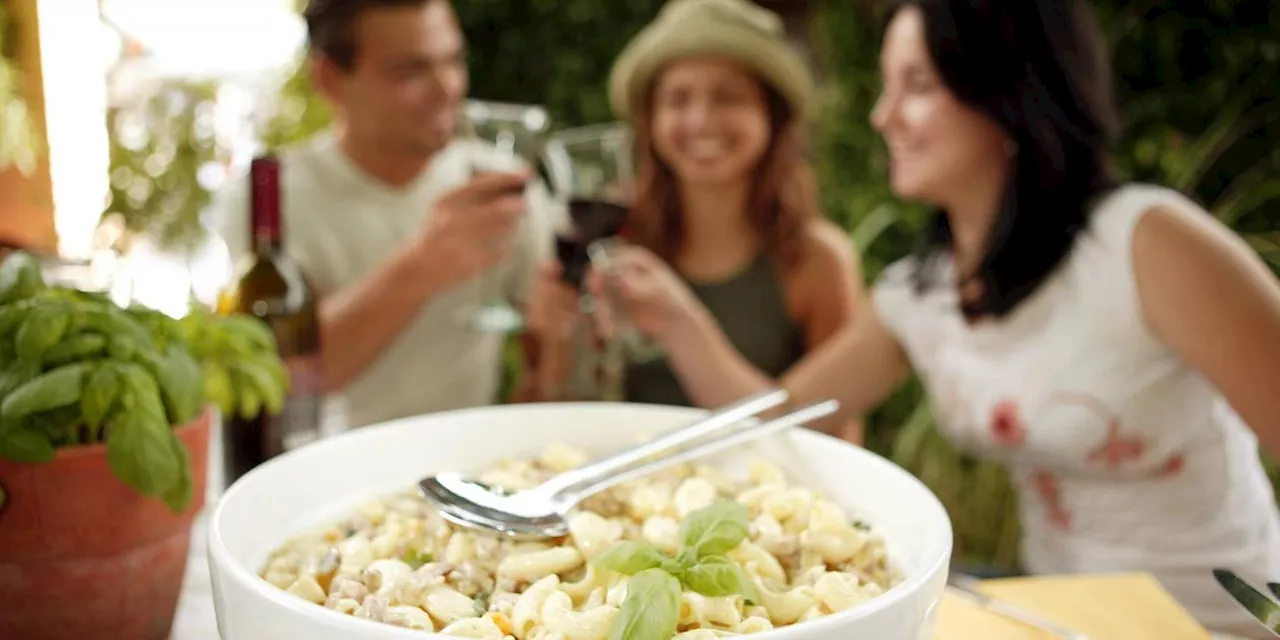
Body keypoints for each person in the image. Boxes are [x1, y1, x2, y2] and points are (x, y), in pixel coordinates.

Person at [596, 0, 1280, 636]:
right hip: (1051, 614)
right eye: (887, 86)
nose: (882, 116)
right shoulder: (917, 295)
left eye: (916, 86)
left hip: (1222, 617)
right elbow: (781, 418)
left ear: (1010, 93)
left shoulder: (1147, 243)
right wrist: (679, 322)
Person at [528, 0, 865, 442]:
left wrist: (682, 325)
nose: (700, 120)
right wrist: (555, 341)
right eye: (678, 98)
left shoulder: (818, 259)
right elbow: (545, 420)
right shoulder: (612, 237)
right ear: (650, 121)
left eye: (728, 97)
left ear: (773, 115)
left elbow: (841, 445)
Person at [212, 0, 556, 428]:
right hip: (325, 473)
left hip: (464, 466)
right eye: (409, 71)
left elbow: (549, 354)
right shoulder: (268, 199)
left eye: (453, 61)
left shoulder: (503, 185)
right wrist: (422, 266)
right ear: (330, 79)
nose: (447, 87)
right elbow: (280, 382)